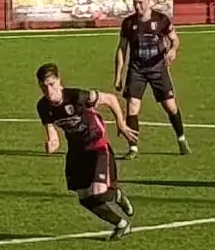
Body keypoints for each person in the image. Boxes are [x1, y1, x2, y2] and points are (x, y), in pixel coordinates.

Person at [35, 63, 138, 240]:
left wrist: (121, 124)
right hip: (76, 152)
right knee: (85, 198)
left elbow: (111, 99)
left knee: (98, 193)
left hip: (97, 147)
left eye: (51, 85)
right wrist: (52, 142)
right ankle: (121, 224)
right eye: (44, 86)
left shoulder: (78, 96)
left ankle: (116, 194)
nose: (48, 90)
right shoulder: (43, 106)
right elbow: (52, 133)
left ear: (59, 82)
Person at [114, 0, 188, 158]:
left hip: (158, 68)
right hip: (137, 69)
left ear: (148, 2)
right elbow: (122, 49)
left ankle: (181, 138)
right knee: (132, 106)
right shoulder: (128, 23)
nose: (137, 6)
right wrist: (118, 75)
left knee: (170, 106)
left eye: (140, 2)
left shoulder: (161, 20)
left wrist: (174, 50)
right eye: (135, 3)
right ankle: (133, 147)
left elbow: (175, 39)